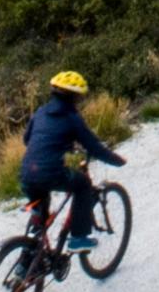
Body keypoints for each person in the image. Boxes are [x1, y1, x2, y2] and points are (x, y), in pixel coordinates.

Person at [19, 69, 123, 275]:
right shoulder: (71, 118)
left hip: (26, 174)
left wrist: (58, 144)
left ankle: (25, 264)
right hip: (50, 173)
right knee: (83, 185)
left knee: (40, 213)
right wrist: (116, 160)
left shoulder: (39, 112)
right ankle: (78, 238)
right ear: (74, 97)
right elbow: (93, 146)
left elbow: (26, 140)